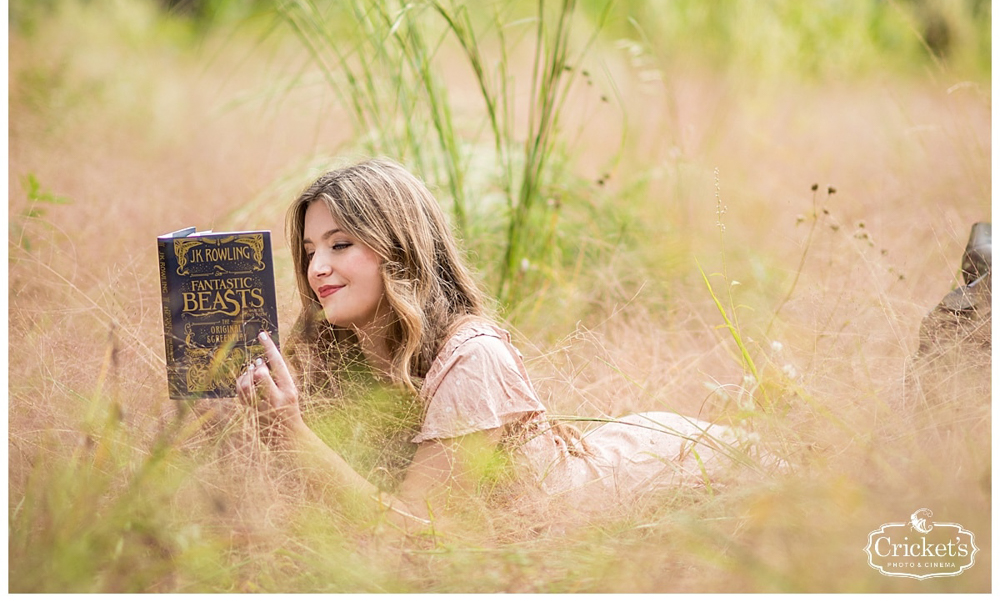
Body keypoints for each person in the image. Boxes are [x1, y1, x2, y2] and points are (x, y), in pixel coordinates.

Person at [237, 159, 756, 530]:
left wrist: (294, 436)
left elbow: (417, 537)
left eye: (340, 244)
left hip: (672, 470)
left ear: (401, 248)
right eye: (309, 251)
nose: (317, 268)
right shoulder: (335, 356)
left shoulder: (473, 358)